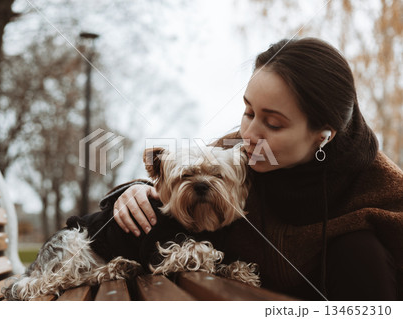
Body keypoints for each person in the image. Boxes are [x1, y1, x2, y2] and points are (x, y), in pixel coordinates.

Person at [106, 38, 402, 300]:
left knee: (359, 250)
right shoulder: (241, 149)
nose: (248, 133)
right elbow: (180, 176)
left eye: (273, 123)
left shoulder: (376, 186)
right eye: (248, 112)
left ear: (323, 136)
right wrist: (133, 191)